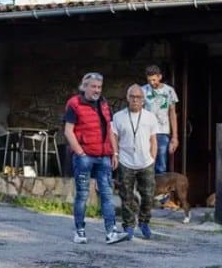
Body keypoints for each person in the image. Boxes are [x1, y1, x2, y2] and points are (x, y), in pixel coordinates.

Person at [63, 72, 129, 245]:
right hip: (85, 156)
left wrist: (114, 152)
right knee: (83, 194)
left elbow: (110, 130)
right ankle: (80, 231)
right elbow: (68, 131)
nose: (97, 90)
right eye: (93, 86)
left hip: (104, 156)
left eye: (99, 87)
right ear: (84, 87)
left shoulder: (104, 104)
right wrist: (80, 152)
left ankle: (111, 232)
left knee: (107, 195)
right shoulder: (74, 104)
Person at [110, 84, 158, 240]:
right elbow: (114, 136)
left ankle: (144, 222)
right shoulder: (118, 116)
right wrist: (115, 154)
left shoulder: (150, 117)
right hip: (126, 161)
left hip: (146, 162)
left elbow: (153, 139)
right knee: (126, 196)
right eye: (132, 97)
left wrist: (153, 157)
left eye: (138, 97)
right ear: (127, 98)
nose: (135, 100)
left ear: (143, 100)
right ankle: (129, 225)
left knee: (149, 195)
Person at [141, 65, 179, 174]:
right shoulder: (143, 90)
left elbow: (172, 114)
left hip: (163, 131)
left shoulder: (169, 91)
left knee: (161, 163)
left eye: (154, 79)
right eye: (149, 80)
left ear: (160, 77)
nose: (152, 83)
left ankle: (160, 190)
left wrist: (175, 137)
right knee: (147, 162)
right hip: (147, 132)